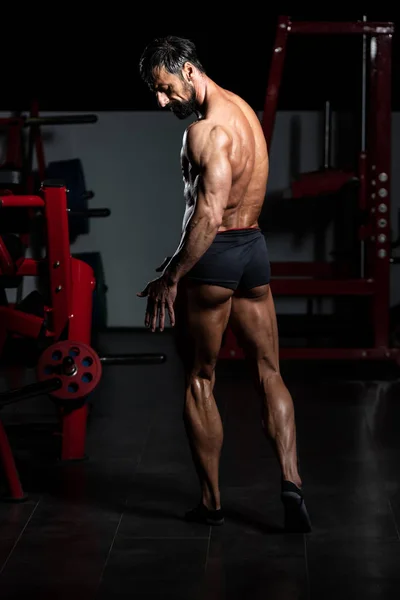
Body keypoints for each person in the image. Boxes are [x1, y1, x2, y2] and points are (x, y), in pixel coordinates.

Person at [137, 35, 311, 533]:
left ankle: (211, 503)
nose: (161, 101)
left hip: (215, 259)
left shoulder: (205, 133)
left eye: (166, 88)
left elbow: (209, 214)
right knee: (269, 371)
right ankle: (292, 482)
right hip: (254, 250)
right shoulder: (245, 113)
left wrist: (171, 275)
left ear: (188, 71)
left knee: (200, 377)